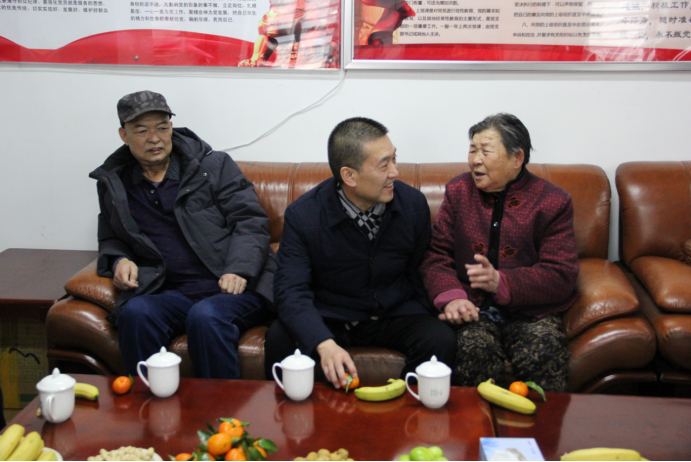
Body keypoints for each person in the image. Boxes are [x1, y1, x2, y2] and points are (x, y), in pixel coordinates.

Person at [90, 91, 275, 379]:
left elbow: (250, 220)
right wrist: (119, 260)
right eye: (142, 130)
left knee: (206, 316)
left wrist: (239, 269)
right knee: (136, 313)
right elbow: (110, 236)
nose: (155, 138)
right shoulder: (116, 183)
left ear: (171, 128)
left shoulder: (213, 166)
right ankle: (148, 404)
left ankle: (220, 408)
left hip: (231, 287)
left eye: (162, 127)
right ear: (124, 135)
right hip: (170, 291)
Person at [265, 117, 455, 389]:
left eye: (394, 159)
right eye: (384, 165)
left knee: (440, 339)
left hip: (393, 314)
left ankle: (404, 407)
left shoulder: (412, 204)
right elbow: (290, 289)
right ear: (349, 176)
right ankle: (298, 415)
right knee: (280, 338)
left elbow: (421, 269)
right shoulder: (304, 215)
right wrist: (322, 342)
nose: (395, 172)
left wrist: (440, 305)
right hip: (330, 315)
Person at [421, 114, 578, 392]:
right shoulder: (459, 191)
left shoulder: (553, 201)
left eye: (485, 151)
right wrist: (452, 298)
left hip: (531, 312)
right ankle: (474, 423)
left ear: (517, 158)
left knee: (544, 355)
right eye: (473, 150)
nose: (475, 160)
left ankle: (542, 423)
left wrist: (502, 282)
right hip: (473, 309)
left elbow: (560, 273)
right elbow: (436, 255)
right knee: (473, 352)